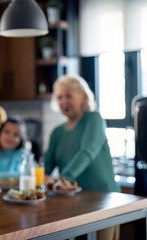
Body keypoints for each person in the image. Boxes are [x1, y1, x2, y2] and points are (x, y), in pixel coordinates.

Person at [44, 74, 120, 240]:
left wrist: (61, 180)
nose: (63, 101)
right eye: (59, 97)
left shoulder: (94, 119)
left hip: (104, 199)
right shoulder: (57, 132)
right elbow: (46, 166)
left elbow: (87, 152)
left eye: (69, 95)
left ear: (83, 97)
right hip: (74, 202)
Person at [0, 116, 28, 184]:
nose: (10, 137)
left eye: (16, 135)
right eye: (7, 132)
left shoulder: (22, 155)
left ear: (21, 140)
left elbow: (24, 175)